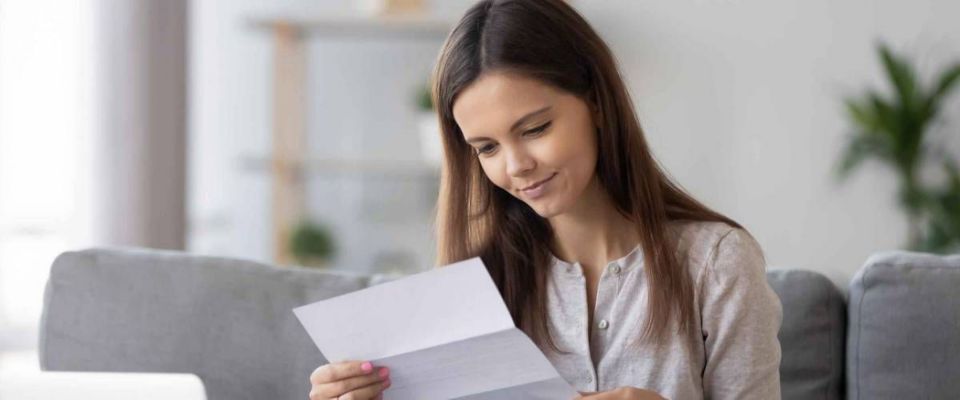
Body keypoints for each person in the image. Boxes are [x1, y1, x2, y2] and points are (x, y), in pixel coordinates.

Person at [309, 0, 783, 399]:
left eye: (535, 129)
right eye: (487, 148)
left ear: (596, 103)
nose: (515, 167)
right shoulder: (481, 281)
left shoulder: (716, 264)